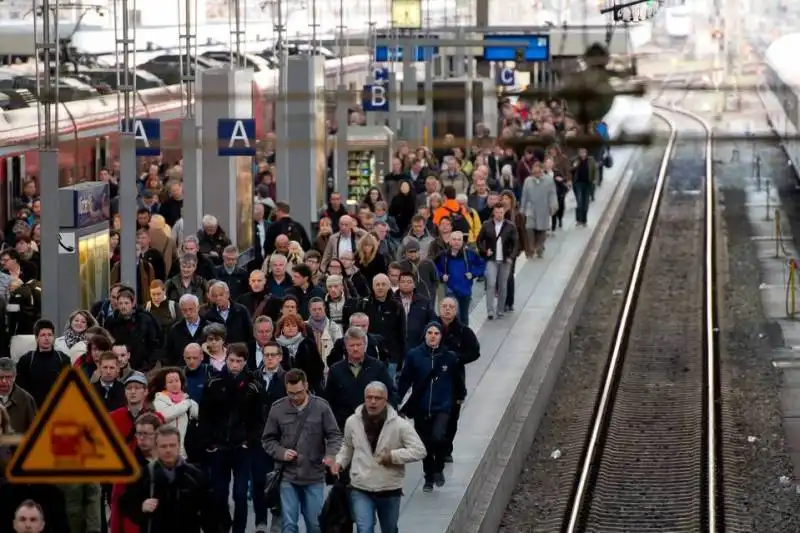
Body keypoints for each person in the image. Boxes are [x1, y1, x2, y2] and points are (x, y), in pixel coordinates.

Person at [335, 382, 426, 533]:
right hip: (361, 486)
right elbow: (347, 446)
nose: (372, 402)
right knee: (364, 529)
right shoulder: (352, 421)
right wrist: (339, 462)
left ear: (386, 400)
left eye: (378, 398)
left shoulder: (399, 425)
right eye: (369, 397)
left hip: (389, 488)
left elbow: (419, 450)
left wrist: (393, 456)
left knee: (389, 529)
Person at [262, 369, 342, 533]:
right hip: (287, 476)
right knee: (289, 525)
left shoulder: (321, 406)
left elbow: (334, 435)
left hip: (314, 475)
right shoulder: (277, 409)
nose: (295, 397)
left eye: (299, 392)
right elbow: (267, 439)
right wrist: (281, 452)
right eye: (291, 393)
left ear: (306, 386)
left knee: (315, 525)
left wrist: (331, 455)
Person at [199, 343, 264, 533]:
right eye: (231, 360)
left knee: (240, 494)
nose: (234, 364)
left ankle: (239, 529)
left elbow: (259, 420)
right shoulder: (214, 383)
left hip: (241, 447)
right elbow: (205, 416)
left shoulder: (254, 386)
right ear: (226, 359)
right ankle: (224, 525)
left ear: (245, 362)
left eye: (238, 361)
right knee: (219, 493)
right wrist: (209, 442)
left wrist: (249, 441)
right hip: (219, 446)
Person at [398, 322, 463, 492]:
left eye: (436, 333)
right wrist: (398, 400)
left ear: (441, 336)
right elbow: (405, 380)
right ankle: (428, 476)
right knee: (424, 444)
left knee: (438, 437)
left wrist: (458, 398)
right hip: (421, 407)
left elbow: (457, 380)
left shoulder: (449, 357)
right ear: (425, 335)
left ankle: (438, 468)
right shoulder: (414, 356)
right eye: (429, 333)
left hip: (442, 406)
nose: (433, 336)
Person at [120, 426, 218, 533]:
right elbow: (126, 503)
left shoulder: (195, 476)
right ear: (156, 447)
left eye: (172, 445)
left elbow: (210, 514)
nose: (168, 450)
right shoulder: (144, 475)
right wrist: (141, 506)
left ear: (178, 446)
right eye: (163, 446)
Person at [476, 203, 519, 321]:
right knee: (491, 283)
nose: (499, 215)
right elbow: (479, 241)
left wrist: (511, 257)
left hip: (505, 259)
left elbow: (516, 244)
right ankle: (490, 310)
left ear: (504, 212)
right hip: (492, 259)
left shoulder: (510, 226)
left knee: (503, 285)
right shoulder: (487, 225)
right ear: (493, 212)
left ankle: (500, 309)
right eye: (497, 212)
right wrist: (485, 251)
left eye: (501, 212)